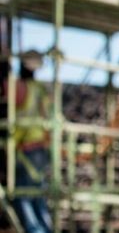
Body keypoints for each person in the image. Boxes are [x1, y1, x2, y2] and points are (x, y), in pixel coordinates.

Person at [11, 50, 52, 233]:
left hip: (26, 148)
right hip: (41, 149)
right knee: (38, 197)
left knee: (23, 197)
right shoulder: (40, 89)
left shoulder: (19, 87)